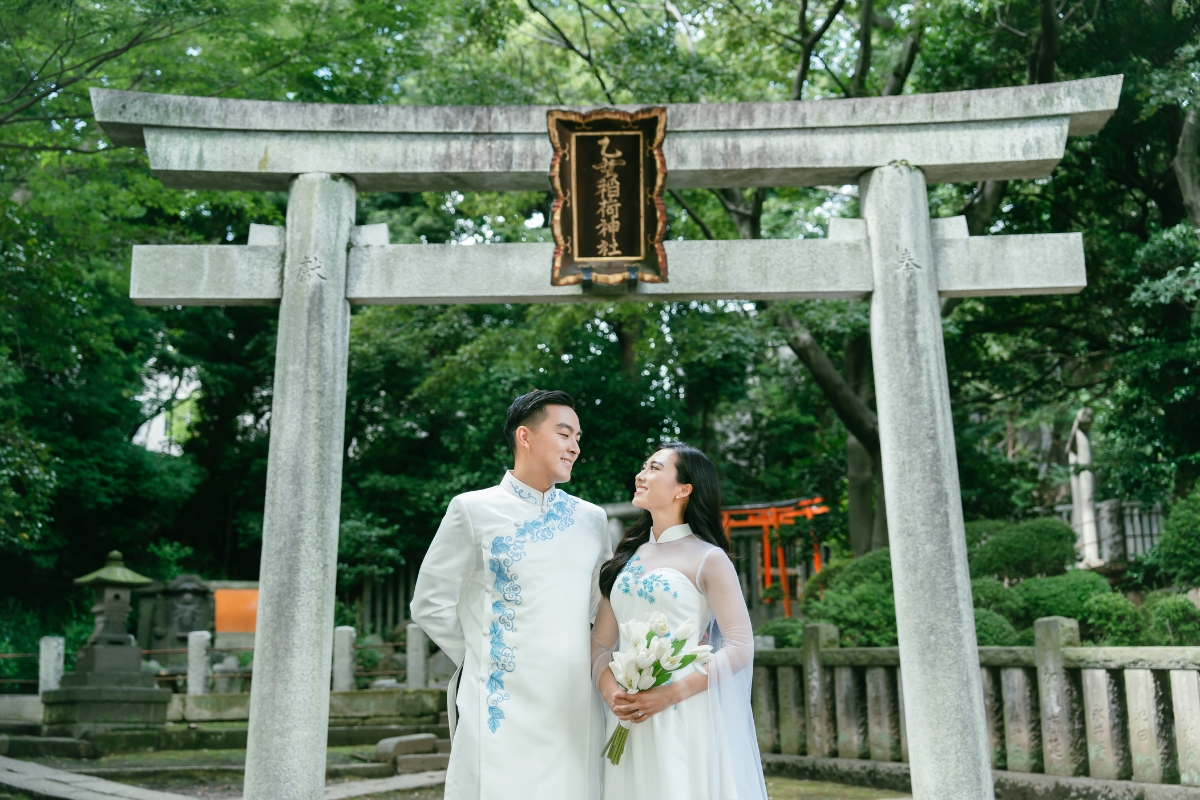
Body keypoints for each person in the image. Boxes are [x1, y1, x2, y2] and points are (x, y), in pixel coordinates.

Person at [411, 390, 611, 800]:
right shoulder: (472, 509)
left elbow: (602, 607)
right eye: (564, 433)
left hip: (573, 697)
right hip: (500, 698)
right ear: (525, 436)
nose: (575, 446)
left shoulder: (592, 519)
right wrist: (485, 659)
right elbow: (430, 602)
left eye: (578, 437)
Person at [592, 443, 767, 800]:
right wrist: (613, 695)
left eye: (654, 468)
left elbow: (740, 646)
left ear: (683, 489)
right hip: (628, 715)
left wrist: (668, 694)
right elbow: (599, 644)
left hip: (685, 711)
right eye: (643, 466)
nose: (641, 475)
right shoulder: (625, 558)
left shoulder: (709, 558)